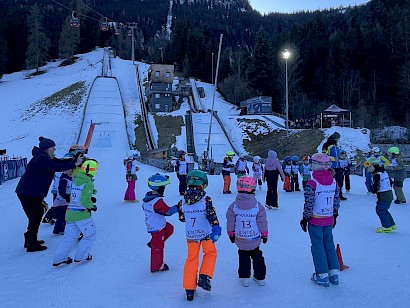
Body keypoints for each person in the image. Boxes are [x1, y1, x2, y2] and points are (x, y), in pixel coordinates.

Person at [16, 137, 82, 252]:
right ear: (47, 148)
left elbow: (59, 162)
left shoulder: (44, 157)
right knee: (35, 216)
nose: (55, 149)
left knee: (35, 215)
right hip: (28, 193)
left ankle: (30, 239)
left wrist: (73, 160)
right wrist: (74, 164)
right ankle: (31, 244)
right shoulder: (41, 159)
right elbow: (57, 167)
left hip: (31, 192)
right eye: (53, 147)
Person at [177, 170, 221, 301]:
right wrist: (216, 227)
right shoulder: (205, 199)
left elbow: (182, 218)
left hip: (191, 235)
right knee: (210, 253)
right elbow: (211, 215)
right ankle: (204, 275)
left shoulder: (182, 202)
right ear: (203, 184)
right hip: (206, 234)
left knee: (191, 259)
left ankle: (189, 288)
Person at [299, 153, 341, 287]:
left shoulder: (312, 183)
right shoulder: (334, 181)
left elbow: (309, 202)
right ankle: (334, 273)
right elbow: (336, 200)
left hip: (316, 219)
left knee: (318, 246)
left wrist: (305, 217)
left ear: (317, 165)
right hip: (328, 218)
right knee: (328, 243)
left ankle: (322, 274)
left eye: (312, 163)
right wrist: (335, 214)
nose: (311, 165)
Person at [53, 159, 99, 266]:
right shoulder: (88, 182)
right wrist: (92, 206)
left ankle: (59, 258)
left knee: (69, 238)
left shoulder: (76, 179)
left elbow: (76, 192)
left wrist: (91, 192)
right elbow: (84, 200)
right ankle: (82, 256)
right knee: (90, 234)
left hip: (70, 213)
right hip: (81, 214)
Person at [226, 176, 268, 287]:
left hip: (241, 238)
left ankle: (244, 277)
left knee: (243, 256)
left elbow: (230, 221)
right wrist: (264, 234)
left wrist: (231, 233)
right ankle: (260, 277)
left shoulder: (233, 206)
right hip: (254, 238)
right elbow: (262, 221)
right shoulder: (258, 206)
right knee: (257, 256)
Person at [142, 173, 179, 272]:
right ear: (158, 187)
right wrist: (178, 207)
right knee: (158, 247)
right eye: (163, 187)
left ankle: (153, 242)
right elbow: (168, 211)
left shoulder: (148, 197)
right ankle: (157, 266)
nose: (164, 188)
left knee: (169, 228)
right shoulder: (157, 201)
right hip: (156, 227)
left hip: (158, 224)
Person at [367, 157, 396, 233]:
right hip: (389, 194)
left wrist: (372, 190)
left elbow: (376, 186)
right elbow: (390, 182)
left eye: (370, 167)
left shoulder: (376, 175)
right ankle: (392, 224)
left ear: (375, 167)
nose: (369, 168)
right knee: (384, 210)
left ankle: (387, 227)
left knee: (380, 210)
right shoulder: (384, 172)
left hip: (383, 195)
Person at [324, 132, 347, 200]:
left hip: (338, 167)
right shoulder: (328, 146)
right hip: (331, 167)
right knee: (331, 181)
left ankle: (339, 194)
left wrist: (342, 156)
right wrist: (333, 159)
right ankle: (330, 194)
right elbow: (325, 156)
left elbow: (338, 155)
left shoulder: (336, 146)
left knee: (340, 181)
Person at [51, 168, 73, 235]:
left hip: (64, 200)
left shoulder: (68, 179)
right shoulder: (64, 180)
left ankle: (58, 229)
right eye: (69, 170)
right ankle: (59, 229)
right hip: (62, 201)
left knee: (63, 215)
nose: (71, 172)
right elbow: (61, 192)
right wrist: (67, 198)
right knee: (62, 216)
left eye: (71, 171)